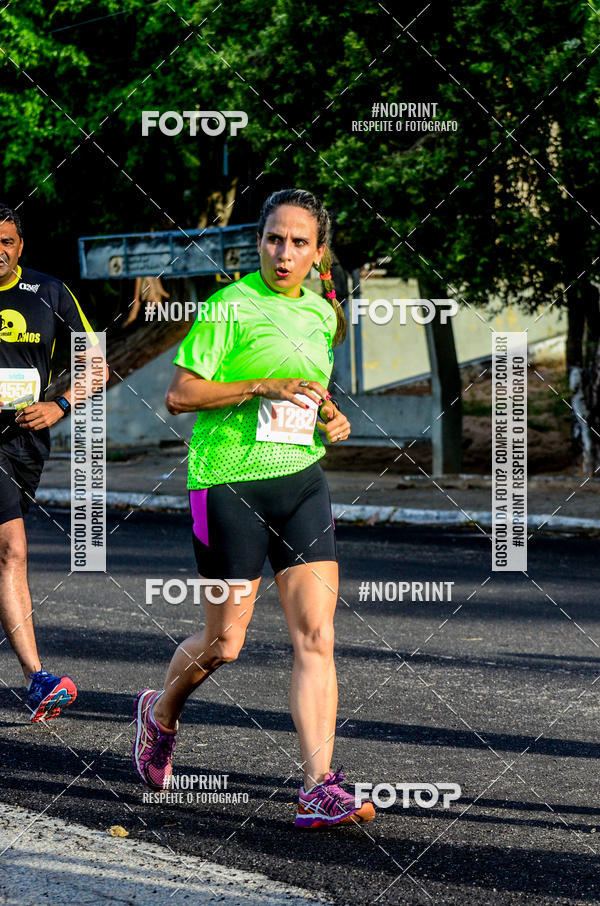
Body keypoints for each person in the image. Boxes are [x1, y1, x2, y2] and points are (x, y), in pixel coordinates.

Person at [133, 188, 375, 828]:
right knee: (225, 643)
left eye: (299, 242)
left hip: (301, 483)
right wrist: (259, 384)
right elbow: (180, 396)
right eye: (274, 239)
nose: (284, 252)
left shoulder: (324, 314)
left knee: (317, 637)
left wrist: (328, 418)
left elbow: (306, 394)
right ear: (259, 243)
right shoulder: (228, 307)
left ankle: (319, 785)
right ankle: (160, 713)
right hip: (227, 485)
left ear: (319, 251)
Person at [0, 204, 101, 722]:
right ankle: (38, 678)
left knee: (6, 552)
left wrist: (61, 405)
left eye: (7, 241)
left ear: (20, 246)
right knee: (11, 547)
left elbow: (96, 366)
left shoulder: (49, 291)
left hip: (25, 446)